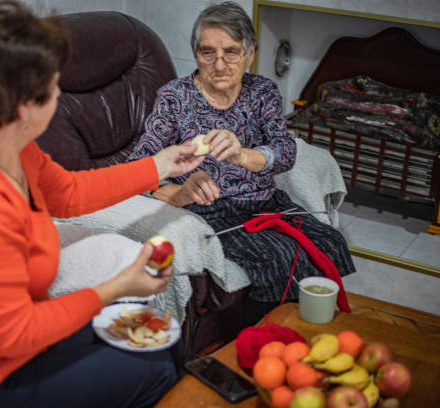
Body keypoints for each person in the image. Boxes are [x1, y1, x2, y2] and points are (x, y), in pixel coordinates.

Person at [0, 2, 206, 407]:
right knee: (156, 370)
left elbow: (70, 193)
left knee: (157, 339)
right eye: (51, 85)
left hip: (15, 353)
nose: (59, 92)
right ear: (21, 104)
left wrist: (161, 164)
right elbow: (12, 333)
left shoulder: (9, 145)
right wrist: (119, 286)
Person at [128, 1, 355, 322]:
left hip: (265, 202)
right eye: (208, 52)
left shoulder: (262, 92)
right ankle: (260, 338)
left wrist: (242, 155)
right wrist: (180, 194)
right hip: (209, 210)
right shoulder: (175, 98)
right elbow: (139, 168)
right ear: (196, 54)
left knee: (330, 242)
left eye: (231, 52)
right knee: (275, 258)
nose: (219, 64)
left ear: (250, 55)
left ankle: (308, 329)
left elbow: (285, 151)